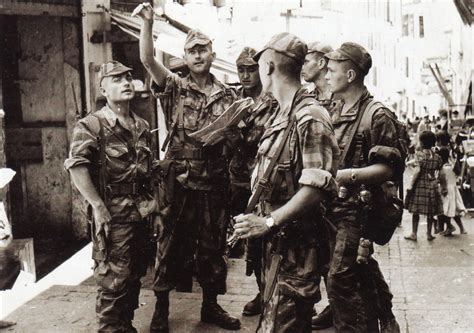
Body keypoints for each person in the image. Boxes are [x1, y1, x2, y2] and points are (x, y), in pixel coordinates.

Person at [135, 3, 241, 331]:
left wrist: (230, 136)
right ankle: (161, 309)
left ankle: (211, 306)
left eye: (203, 49)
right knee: (170, 244)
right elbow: (147, 60)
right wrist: (147, 24)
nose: (197, 55)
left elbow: (237, 139)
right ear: (185, 55)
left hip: (214, 182)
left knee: (212, 246)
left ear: (212, 53)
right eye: (191, 50)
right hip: (179, 182)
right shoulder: (175, 87)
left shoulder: (228, 95)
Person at [234, 32, 340, 332]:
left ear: (268, 67)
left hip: (297, 250)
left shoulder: (309, 117)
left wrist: (267, 222)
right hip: (278, 248)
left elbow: (316, 188)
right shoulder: (282, 114)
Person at [65, 61, 156, 332]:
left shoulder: (141, 125)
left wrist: (154, 209)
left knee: (135, 274)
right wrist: (97, 206)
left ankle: (125, 326)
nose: (126, 82)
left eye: (128, 77)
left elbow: (146, 173)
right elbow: (77, 167)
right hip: (112, 214)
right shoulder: (91, 125)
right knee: (113, 280)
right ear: (103, 89)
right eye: (116, 79)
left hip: (140, 213)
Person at [324, 42, 402, 332]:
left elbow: (387, 168)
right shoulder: (335, 108)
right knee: (356, 271)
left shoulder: (377, 114)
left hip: (359, 213)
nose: (327, 75)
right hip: (335, 209)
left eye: (332, 70)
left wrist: (344, 176)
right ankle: (381, 316)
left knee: (340, 279)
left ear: (351, 75)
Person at [230, 47, 275, 317]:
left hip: (267, 181)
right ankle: (262, 290)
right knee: (251, 242)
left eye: (251, 69)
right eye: (241, 70)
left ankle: (272, 294)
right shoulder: (234, 101)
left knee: (270, 238)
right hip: (239, 181)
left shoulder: (273, 100)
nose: (246, 75)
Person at [301, 41, 336, 330]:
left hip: (339, 193)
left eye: (308, 59)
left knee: (340, 260)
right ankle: (330, 306)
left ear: (323, 63)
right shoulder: (309, 98)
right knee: (321, 254)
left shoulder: (339, 98)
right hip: (316, 192)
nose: (303, 65)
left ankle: (381, 315)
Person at [404, 130, 444, 241]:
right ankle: (428, 234)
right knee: (430, 211)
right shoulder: (436, 157)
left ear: (421, 143)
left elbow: (417, 170)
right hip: (432, 184)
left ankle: (414, 233)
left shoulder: (419, 155)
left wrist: (411, 185)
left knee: (415, 211)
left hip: (420, 184)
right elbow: (441, 171)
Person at [437, 147, 467, 235]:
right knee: (454, 210)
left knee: (445, 209)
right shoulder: (452, 164)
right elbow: (458, 173)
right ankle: (462, 228)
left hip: (445, 190)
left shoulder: (442, 167)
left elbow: (441, 179)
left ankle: (449, 226)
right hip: (453, 189)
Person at [302, 41, 334, 110]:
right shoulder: (307, 95)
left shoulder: (340, 95)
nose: (302, 67)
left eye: (306, 62)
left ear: (321, 63)